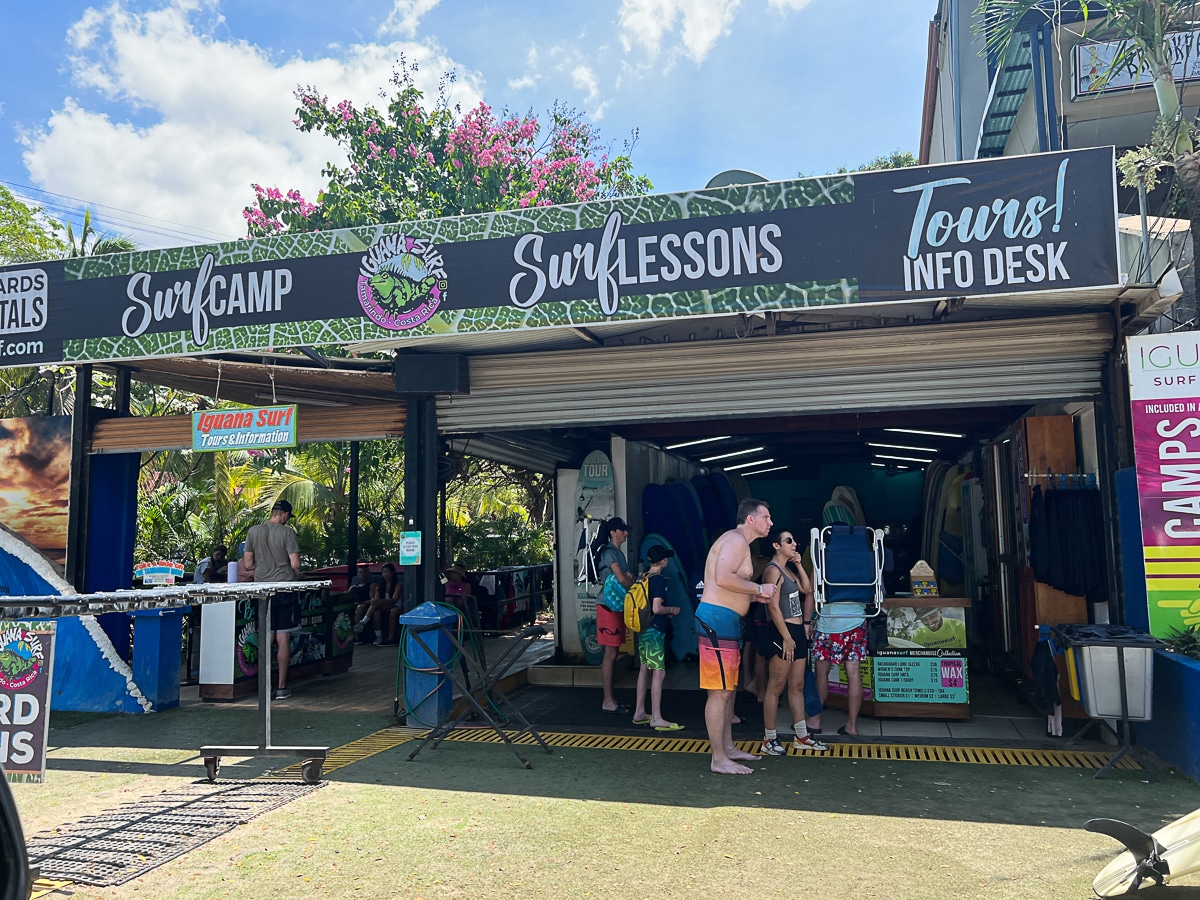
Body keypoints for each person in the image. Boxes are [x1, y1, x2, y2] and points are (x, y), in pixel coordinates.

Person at [695, 498, 777, 775]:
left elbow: (731, 583)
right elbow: (722, 578)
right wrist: (758, 589)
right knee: (719, 692)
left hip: (725, 621)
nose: (771, 523)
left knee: (728, 689)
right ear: (751, 519)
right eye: (766, 517)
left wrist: (756, 595)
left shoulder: (740, 543)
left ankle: (727, 749)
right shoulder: (736, 541)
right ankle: (718, 759)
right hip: (717, 620)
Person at [757, 527, 829, 755]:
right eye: (789, 540)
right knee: (775, 687)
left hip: (797, 631)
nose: (794, 543)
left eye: (794, 539)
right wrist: (786, 637)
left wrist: (798, 564)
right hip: (783, 631)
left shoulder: (788, 568)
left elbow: (807, 589)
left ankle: (802, 736)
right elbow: (773, 607)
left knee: (797, 685)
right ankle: (769, 739)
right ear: (776, 545)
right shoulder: (772, 570)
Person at [242, 499, 301, 701]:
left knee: (266, 637)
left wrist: (263, 567)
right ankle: (282, 687)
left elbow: (248, 564)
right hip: (284, 589)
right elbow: (295, 564)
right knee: (283, 637)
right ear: (284, 514)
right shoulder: (288, 533)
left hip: (262, 590)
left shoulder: (253, 532)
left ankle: (265, 686)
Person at [812, 551, 869, 738]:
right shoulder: (865, 558)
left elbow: (812, 593)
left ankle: (815, 720)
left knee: (821, 673)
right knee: (854, 675)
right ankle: (851, 726)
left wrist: (806, 622)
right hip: (857, 623)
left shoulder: (821, 558)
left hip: (829, 622)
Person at [631, 544, 682, 731]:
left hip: (643, 628)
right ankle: (657, 717)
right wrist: (672, 610)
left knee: (644, 669)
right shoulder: (659, 580)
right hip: (655, 629)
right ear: (663, 561)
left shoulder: (643, 577)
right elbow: (656, 608)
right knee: (659, 672)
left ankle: (639, 712)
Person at [594, 516, 634, 715]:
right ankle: (607, 700)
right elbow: (621, 578)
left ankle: (610, 699)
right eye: (622, 530)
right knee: (610, 654)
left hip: (614, 607)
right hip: (608, 608)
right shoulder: (610, 553)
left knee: (614, 653)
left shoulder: (616, 553)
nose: (626, 533)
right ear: (613, 532)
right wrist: (633, 584)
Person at [370, 563, 404, 645]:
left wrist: (380, 601)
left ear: (392, 573)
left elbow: (394, 599)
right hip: (384, 606)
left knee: (393, 611)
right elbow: (376, 599)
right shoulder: (380, 585)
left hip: (396, 606)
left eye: (387, 572)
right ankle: (378, 636)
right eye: (383, 572)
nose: (385, 574)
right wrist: (377, 592)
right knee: (377, 612)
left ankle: (390, 638)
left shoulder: (398, 584)